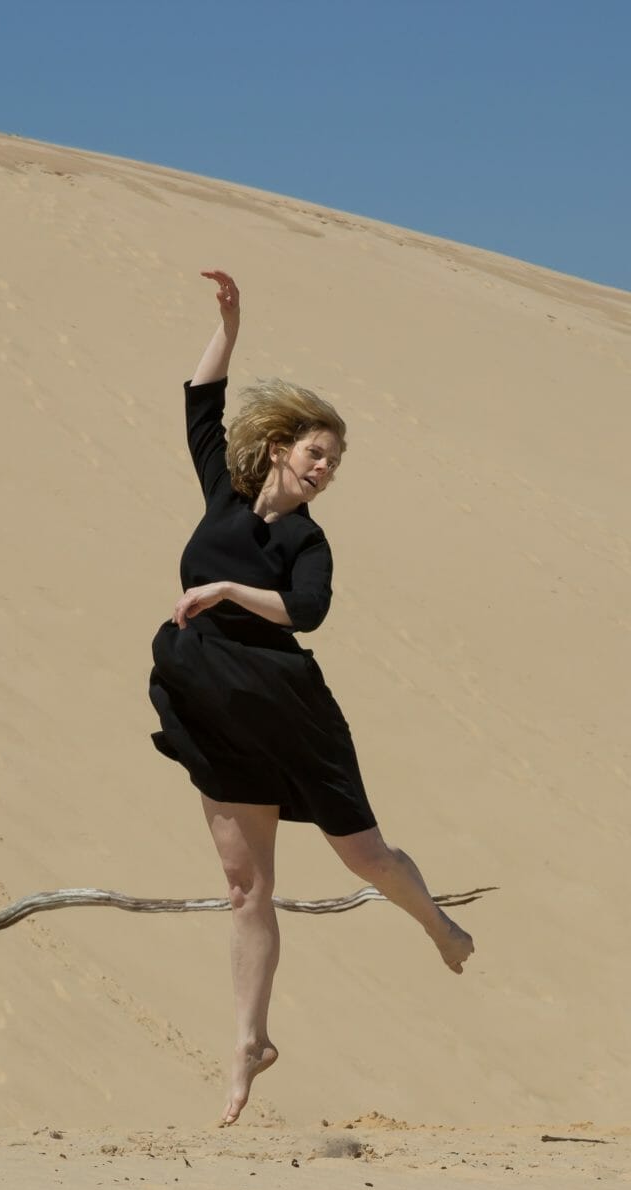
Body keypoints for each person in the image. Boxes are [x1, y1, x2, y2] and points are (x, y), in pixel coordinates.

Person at [148, 269, 477, 1126]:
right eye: (317, 453)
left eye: (335, 461)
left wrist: (226, 589)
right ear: (281, 447)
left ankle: (438, 924)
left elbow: (307, 611)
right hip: (211, 696)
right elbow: (201, 403)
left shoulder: (308, 541)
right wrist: (230, 325)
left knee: (365, 857)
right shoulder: (224, 491)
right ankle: (250, 1040)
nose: (326, 469)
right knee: (244, 887)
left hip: (286, 704)